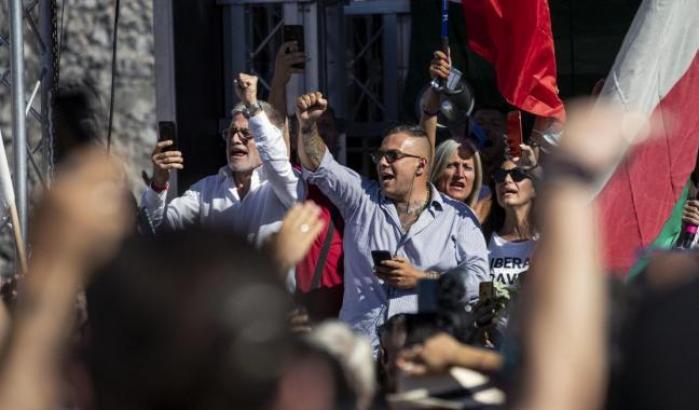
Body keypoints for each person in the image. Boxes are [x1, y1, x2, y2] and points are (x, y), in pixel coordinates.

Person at [296, 91, 489, 353]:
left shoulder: (458, 218)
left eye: (393, 156)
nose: (383, 163)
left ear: (421, 165)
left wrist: (421, 280)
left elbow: (479, 280)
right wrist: (307, 127)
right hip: (361, 356)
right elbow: (321, 166)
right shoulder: (361, 199)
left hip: (424, 356)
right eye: (380, 156)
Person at [141, 73, 301, 247]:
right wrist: (158, 184)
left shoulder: (283, 185)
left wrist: (253, 106)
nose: (235, 140)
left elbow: (277, 155)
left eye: (246, 134)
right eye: (230, 133)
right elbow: (156, 230)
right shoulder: (206, 190)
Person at [269, 42, 346, 322]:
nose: (319, 132)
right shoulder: (291, 179)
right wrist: (279, 80)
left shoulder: (353, 188)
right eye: (312, 126)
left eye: (326, 126)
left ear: (338, 136)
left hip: (342, 314)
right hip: (293, 314)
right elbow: (274, 133)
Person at [485, 160, 538, 286]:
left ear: (535, 188)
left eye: (517, 174)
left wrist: (534, 168)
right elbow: (482, 298)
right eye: (500, 175)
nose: (507, 180)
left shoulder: (549, 240)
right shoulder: (483, 240)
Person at [430, 139, 484, 210]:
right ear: (437, 170)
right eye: (451, 165)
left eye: (467, 167)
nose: (460, 174)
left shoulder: (474, 220)